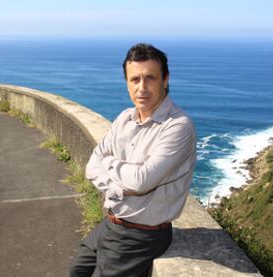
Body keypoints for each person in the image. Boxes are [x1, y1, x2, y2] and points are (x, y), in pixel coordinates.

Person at [69, 43, 197, 277]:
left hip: (142, 235)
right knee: (77, 270)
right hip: (111, 223)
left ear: (165, 79)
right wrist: (119, 186)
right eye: (134, 79)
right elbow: (91, 166)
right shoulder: (124, 119)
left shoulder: (178, 126)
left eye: (150, 78)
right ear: (126, 82)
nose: (142, 88)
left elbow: (140, 182)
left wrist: (109, 164)